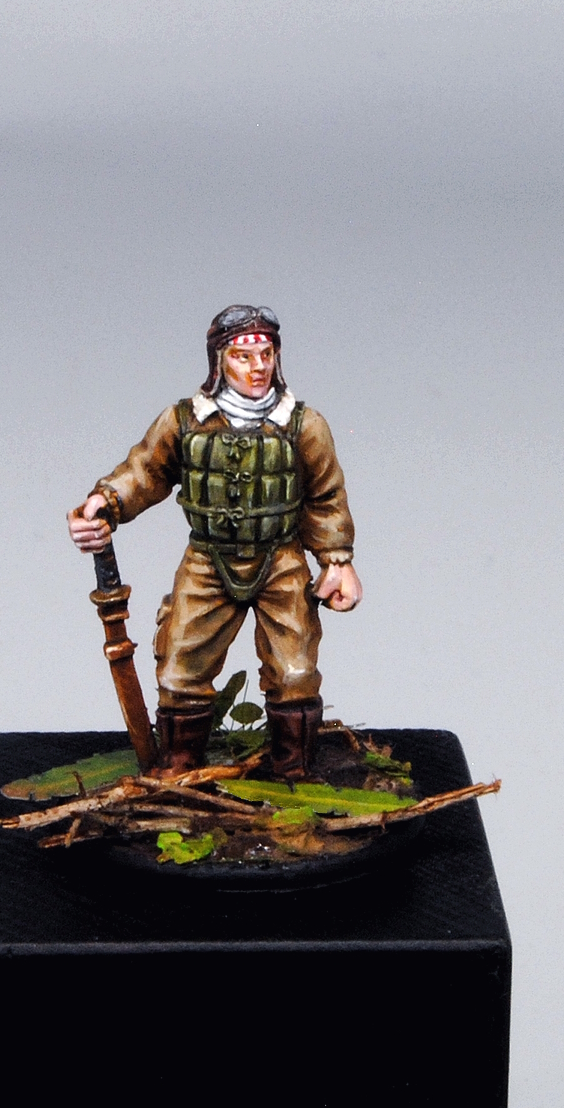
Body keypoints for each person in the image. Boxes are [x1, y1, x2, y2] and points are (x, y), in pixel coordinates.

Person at [68, 305, 361, 779]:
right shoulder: (185, 421)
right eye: (244, 357)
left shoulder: (303, 425)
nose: (258, 366)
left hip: (281, 559)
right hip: (208, 561)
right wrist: (105, 501)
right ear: (219, 361)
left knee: (295, 671)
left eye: (266, 354)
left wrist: (337, 560)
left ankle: (293, 769)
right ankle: (180, 764)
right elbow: (145, 471)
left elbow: (326, 495)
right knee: (181, 665)